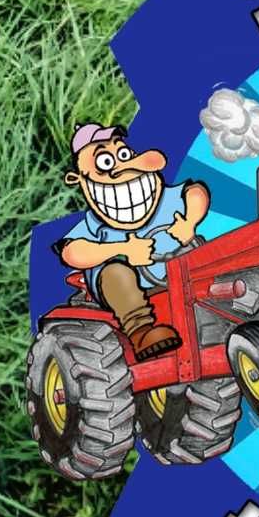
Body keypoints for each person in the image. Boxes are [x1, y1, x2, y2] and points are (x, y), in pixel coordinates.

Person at [60, 120, 212, 362]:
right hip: (132, 291)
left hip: (184, 281)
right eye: (105, 162)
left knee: (210, 254)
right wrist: (124, 249)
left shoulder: (166, 199)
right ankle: (140, 330)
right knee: (116, 273)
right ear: (78, 179)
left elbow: (195, 193)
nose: (122, 167)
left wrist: (189, 222)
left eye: (123, 153)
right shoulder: (96, 223)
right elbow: (72, 252)